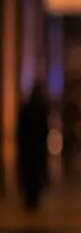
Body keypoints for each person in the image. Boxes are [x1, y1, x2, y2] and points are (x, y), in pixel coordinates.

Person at [16, 83, 51, 211]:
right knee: (33, 176)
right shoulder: (39, 111)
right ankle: (32, 199)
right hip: (35, 151)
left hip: (30, 151)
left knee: (31, 177)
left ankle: (31, 199)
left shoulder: (30, 110)